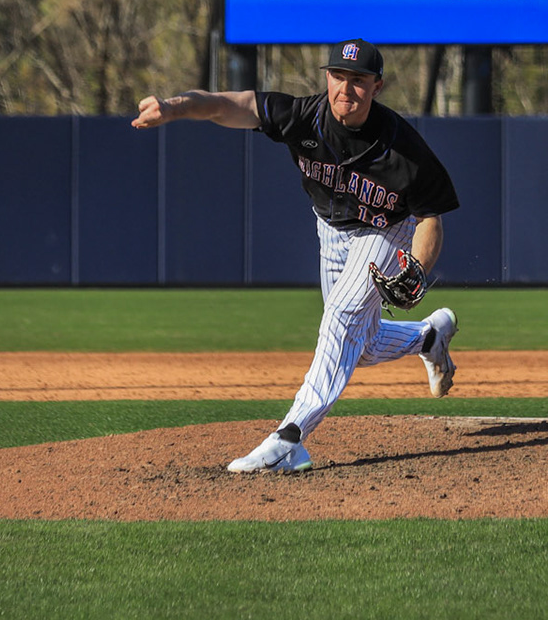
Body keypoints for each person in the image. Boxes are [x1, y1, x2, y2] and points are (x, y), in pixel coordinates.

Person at [131, 38, 459, 474]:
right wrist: (174, 107)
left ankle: (290, 437)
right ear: (327, 77)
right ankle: (428, 337)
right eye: (338, 76)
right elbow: (225, 105)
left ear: (376, 86)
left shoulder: (403, 149)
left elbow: (429, 218)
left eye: (358, 80)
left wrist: (416, 265)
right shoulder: (303, 116)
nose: (346, 88)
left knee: (340, 319)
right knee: (359, 346)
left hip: (384, 230)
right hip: (330, 229)